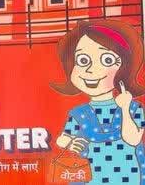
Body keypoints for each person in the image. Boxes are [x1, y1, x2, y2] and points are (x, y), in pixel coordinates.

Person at [53, 20, 144, 184]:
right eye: (82, 60)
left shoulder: (133, 108)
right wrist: (71, 142)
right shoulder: (78, 113)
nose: (90, 69)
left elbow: (133, 139)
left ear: (125, 68)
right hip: (89, 177)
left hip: (128, 178)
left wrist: (124, 108)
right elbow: (62, 139)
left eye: (107, 60)